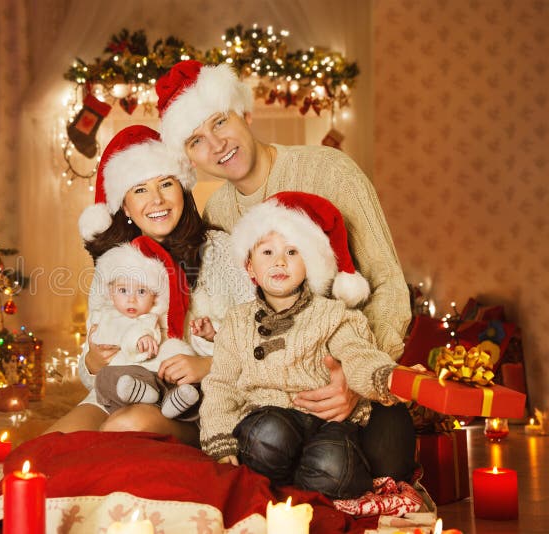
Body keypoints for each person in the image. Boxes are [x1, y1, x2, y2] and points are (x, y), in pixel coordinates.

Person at [156, 60, 415, 480]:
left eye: (220, 121)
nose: (217, 144)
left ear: (245, 113)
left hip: (350, 369)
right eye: (196, 140)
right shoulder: (218, 211)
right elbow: (232, 316)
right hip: (270, 394)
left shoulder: (330, 170)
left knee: (380, 465)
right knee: (260, 452)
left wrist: (353, 378)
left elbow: (386, 284)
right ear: (188, 156)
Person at [44, 125, 254, 445]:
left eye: (165, 184)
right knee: (50, 446)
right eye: (140, 189)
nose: (156, 200)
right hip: (121, 392)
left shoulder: (221, 250)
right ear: (126, 207)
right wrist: (92, 361)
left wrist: (207, 365)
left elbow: (261, 340)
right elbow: (94, 371)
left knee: (125, 427)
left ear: (182, 188)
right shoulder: (113, 266)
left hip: (195, 402)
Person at [200, 191, 401, 499]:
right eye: (267, 252)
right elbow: (221, 385)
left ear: (311, 263)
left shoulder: (333, 314)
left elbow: (358, 354)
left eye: (293, 252)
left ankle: (308, 477)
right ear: (250, 268)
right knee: (267, 436)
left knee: (335, 466)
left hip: (328, 422)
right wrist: (219, 436)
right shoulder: (237, 322)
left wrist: (382, 376)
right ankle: (284, 472)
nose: (280, 261)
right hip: (269, 417)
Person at [88, 237, 201, 420]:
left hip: (147, 375)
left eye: (141, 292)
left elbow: (148, 332)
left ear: (154, 296)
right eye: (123, 291)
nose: (131, 299)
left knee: (170, 376)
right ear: (111, 293)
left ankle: (174, 400)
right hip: (121, 378)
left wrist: (143, 339)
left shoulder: (150, 317)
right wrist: (94, 352)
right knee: (104, 379)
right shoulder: (105, 315)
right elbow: (99, 338)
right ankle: (139, 392)